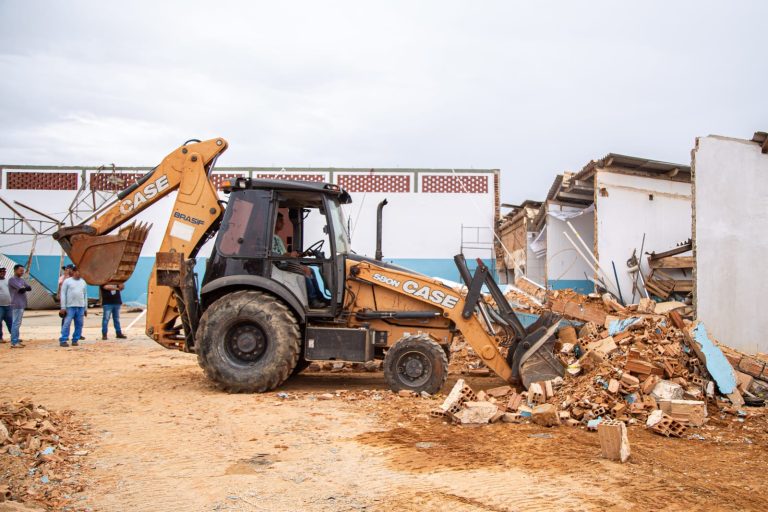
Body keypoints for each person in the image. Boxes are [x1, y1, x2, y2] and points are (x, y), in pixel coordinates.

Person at [273, 212, 327, 308]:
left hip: (283, 262)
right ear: (274, 221)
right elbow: (278, 255)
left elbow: (283, 253)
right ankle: (313, 299)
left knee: (311, 269)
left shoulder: (277, 238)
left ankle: (320, 296)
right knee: (306, 270)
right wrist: (290, 255)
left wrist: (302, 254)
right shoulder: (271, 238)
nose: (283, 223)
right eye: (281, 220)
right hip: (278, 265)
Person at [59, 266, 88, 347]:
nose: (81, 274)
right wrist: (63, 307)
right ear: (74, 272)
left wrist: (85, 308)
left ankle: (75, 340)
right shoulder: (67, 281)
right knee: (67, 323)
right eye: (79, 272)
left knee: (79, 324)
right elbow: (63, 294)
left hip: (80, 307)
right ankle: (63, 340)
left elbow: (85, 295)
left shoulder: (83, 282)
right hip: (70, 307)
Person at [8, 264, 32, 348]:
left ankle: (16, 340)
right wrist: (24, 288)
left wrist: (24, 288)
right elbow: (22, 290)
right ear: (15, 270)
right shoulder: (12, 280)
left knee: (18, 323)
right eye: (20, 270)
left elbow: (29, 287)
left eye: (23, 271)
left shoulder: (21, 280)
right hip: (16, 304)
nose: (22, 272)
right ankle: (14, 342)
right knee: (16, 323)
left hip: (22, 304)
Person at [0, 267, 13, 344]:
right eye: (1, 272)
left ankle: (14, 337)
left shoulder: (7, 281)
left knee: (10, 321)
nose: (2, 273)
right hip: (0, 306)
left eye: (4, 272)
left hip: (8, 305)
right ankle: (0, 338)